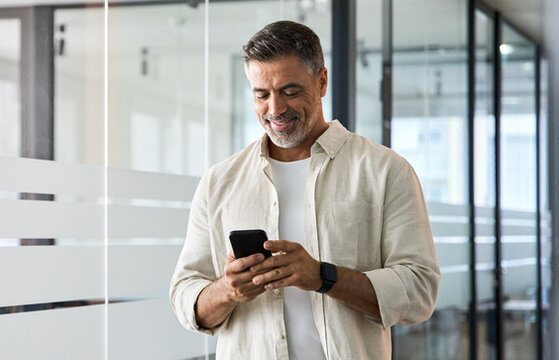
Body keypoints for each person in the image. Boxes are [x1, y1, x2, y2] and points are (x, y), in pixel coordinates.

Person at [169, 20, 440, 359]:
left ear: (322, 81)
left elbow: (419, 291)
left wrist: (322, 277)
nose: (275, 109)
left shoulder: (386, 171)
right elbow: (184, 296)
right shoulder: (219, 182)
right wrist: (228, 290)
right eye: (261, 94)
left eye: (290, 91)